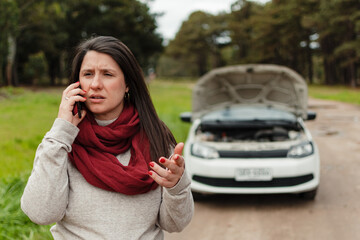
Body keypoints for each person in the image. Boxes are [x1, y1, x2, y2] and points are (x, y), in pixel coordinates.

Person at [21, 36, 194, 239]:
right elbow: (40, 213)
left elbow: (174, 224)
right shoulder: (64, 143)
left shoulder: (155, 137)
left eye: (107, 74)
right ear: (77, 83)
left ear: (127, 83)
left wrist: (176, 186)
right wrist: (60, 132)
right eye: (87, 74)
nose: (95, 84)